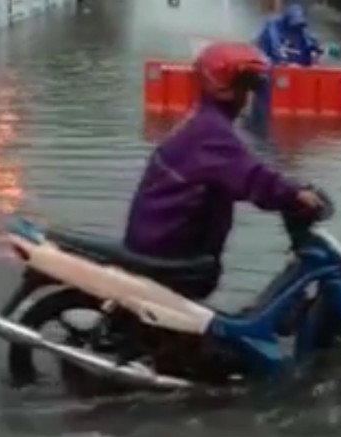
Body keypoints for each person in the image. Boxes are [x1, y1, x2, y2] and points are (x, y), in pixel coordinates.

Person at [123, 42, 324, 300]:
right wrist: (295, 196)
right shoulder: (212, 133)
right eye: (245, 87)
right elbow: (253, 179)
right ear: (228, 88)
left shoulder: (204, 122)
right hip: (172, 253)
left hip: (157, 240)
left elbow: (241, 170)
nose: (249, 96)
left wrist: (288, 187)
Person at [256, 3, 323, 67]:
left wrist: (317, 50)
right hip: (276, 68)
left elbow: (314, 45)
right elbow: (265, 51)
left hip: (300, 69)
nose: (295, 30)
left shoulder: (301, 30)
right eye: (294, 27)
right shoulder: (272, 29)